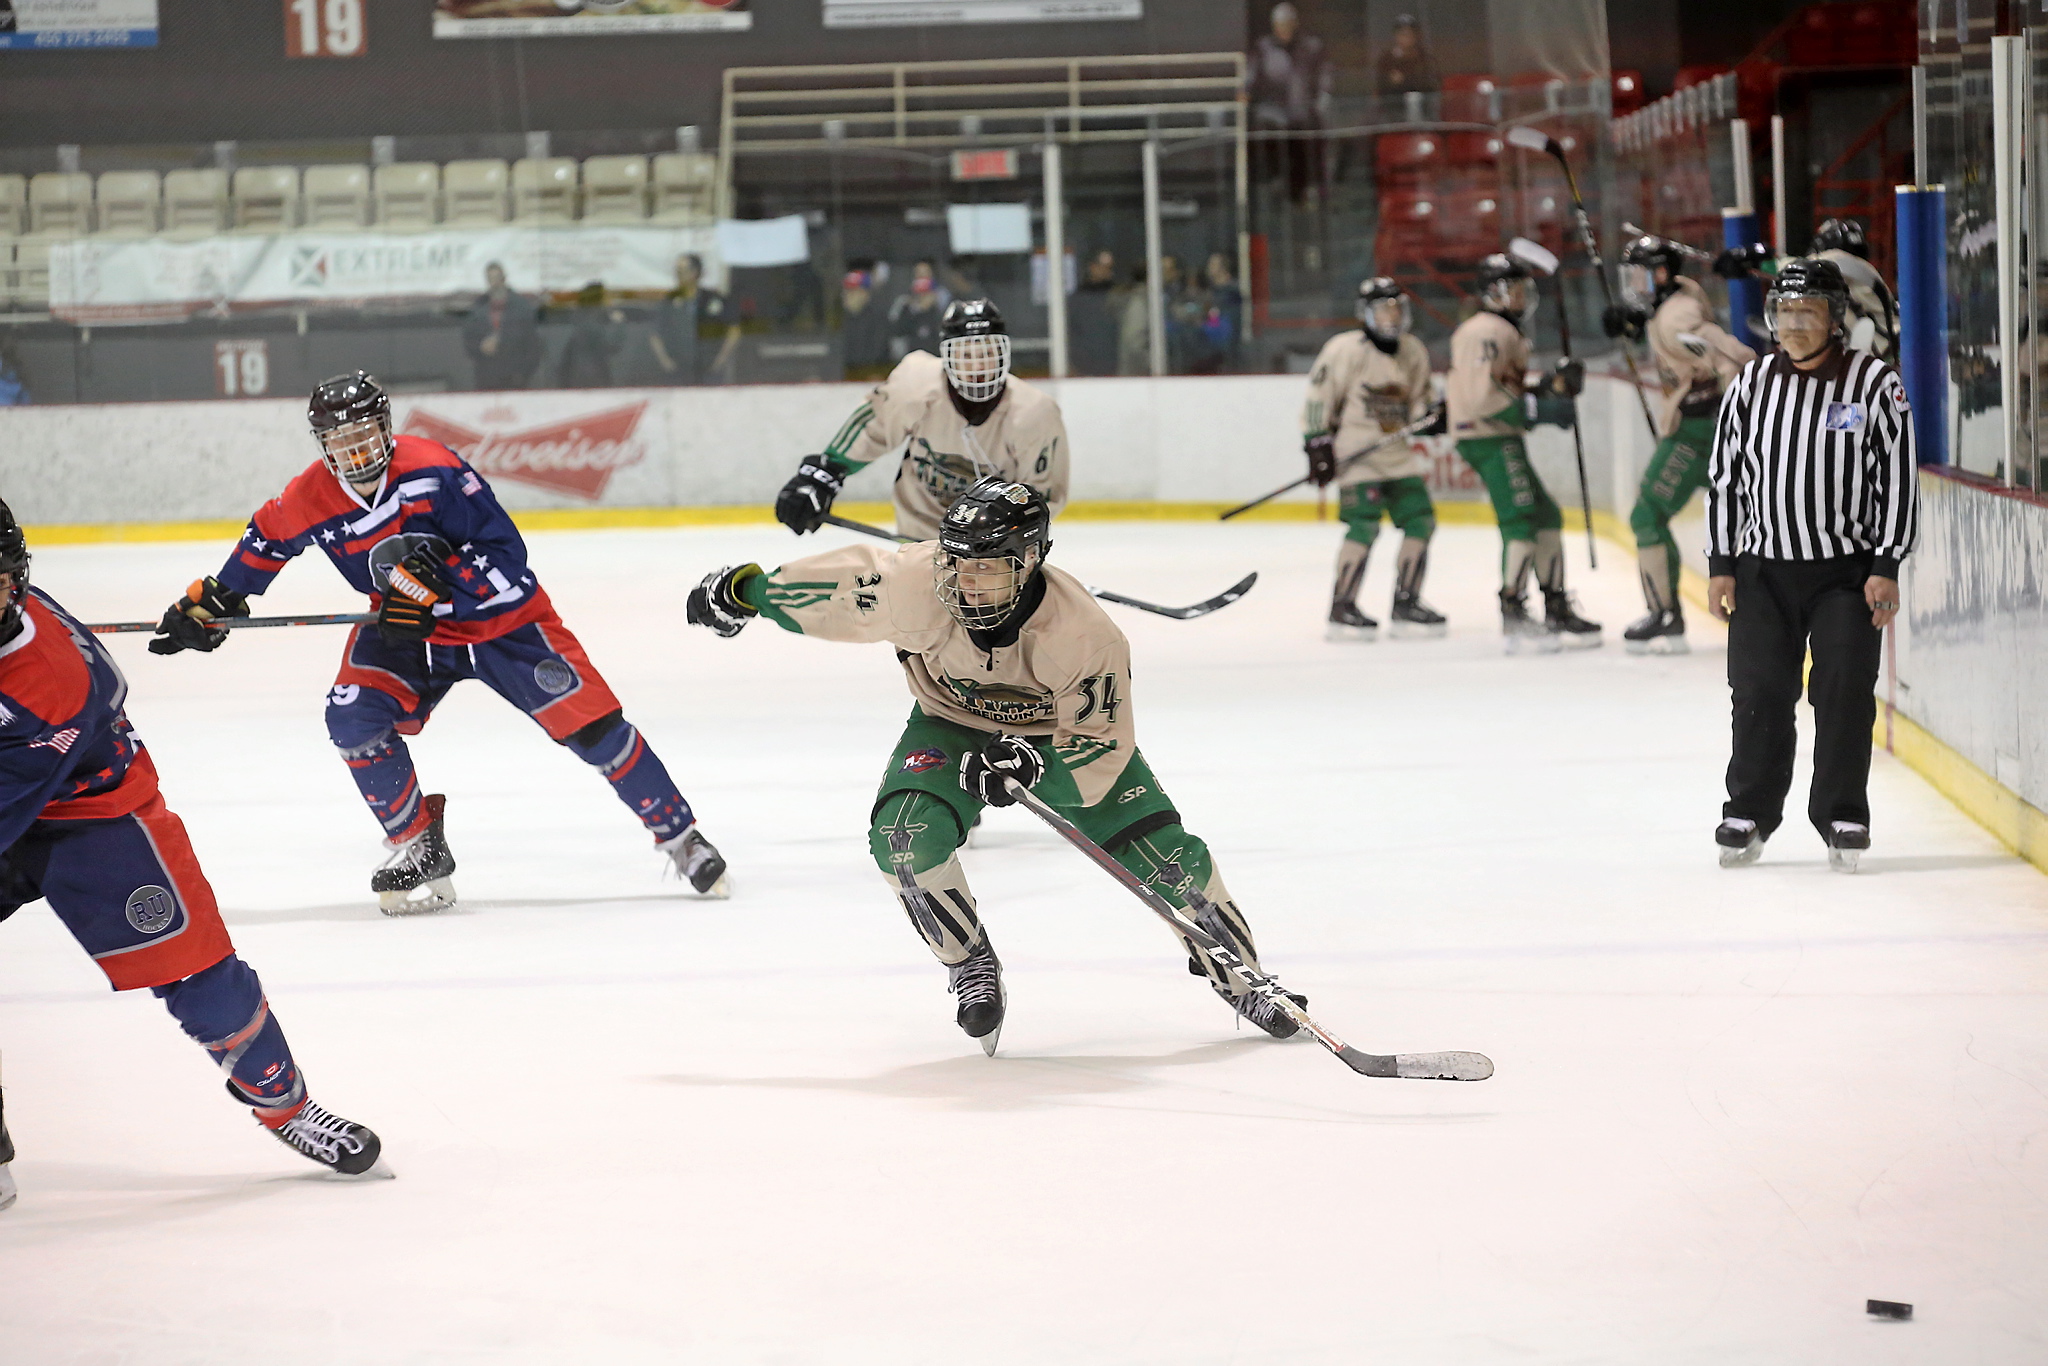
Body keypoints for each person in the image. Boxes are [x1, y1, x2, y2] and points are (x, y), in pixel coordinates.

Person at [686, 477, 1305, 1053]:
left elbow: (1098, 742)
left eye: (985, 566)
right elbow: (835, 592)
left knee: (1173, 862)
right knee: (903, 841)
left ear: (1031, 559)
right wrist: (747, 591)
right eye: (956, 562)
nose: (964, 582)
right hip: (949, 724)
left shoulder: (1088, 638)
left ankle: (1244, 977)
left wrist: (1038, 766)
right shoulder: (912, 583)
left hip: (1057, 741)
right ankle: (969, 961)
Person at [149, 372, 730, 913]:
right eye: (340, 440)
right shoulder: (309, 495)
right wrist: (215, 601)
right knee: (352, 715)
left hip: (502, 624)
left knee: (596, 728)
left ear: (387, 428)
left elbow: (506, 556)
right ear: (322, 445)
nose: (356, 452)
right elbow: (265, 541)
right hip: (402, 629)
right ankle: (416, 842)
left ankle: (682, 839)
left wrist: (440, 587)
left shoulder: (437, 470)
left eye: (366, 435)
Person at [0, 501, 384, 1181]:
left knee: (195, 967)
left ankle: (287, 1106)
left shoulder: (51, 683)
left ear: (17, 579)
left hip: (95, 817)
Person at [1706, 258, 1918, 873]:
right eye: (1784, 312)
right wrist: (1722, 562)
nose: (1794, 324)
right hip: (1761, 573)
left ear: (1835, 318)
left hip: (1846, 576)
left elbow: (1899, 479)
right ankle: (1748, 809)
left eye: (1808, 312)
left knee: (1845, 692)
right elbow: (1725, 478)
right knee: (1759, 692)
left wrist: (1887, 563)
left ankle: (1842, 813)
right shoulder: (1750, 385)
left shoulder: (1877, 384)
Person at [773, 299, 1070, 542]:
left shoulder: (1035, 414)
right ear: (947, 357)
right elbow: (870, 431)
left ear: (1004, 353)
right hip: (919, 532)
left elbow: (1042, 496)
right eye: (966, 354)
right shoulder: (915, 386)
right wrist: (821, 478)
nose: (979, 366)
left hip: (993, 549)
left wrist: (1004, 537)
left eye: (988, 354)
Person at [1603, 236, 1758, 654]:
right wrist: (1638, 322)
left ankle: (1665, 614)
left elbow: (1726, 352)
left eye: (1640, 276)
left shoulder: (1677, 317)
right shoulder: (1675, 303)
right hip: (1711, 426)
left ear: (1660, 275)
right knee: (1751, 521)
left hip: (1698, 429)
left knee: (1647, 514)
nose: (1633, 285)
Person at [1448, 253, 1602, 651]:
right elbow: (1484, 397)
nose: (1520, 297)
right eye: (1512, 289)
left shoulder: (1502, 331)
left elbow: (1504, 389)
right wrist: (1540, 409)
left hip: (1501, 435)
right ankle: (1513, 613)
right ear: (1493, 293)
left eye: (1523, 289)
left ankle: (1555, 606)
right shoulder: (1485, 331)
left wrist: (1549, 388)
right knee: (1520, 520)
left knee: (1546, 515)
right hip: (1488, 437)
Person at [1303, 277, 1447, 640]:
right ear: (1365, 313)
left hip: (1396, 456)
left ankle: (1406, 602)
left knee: (1421, 520)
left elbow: (1420, 403)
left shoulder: (1412, 350)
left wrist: (1432, 415)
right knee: (1364, 526)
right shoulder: (1345, 349)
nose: (1392, 315)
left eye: (1397, 307)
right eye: (1384, 308)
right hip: (1357, 456)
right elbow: (1319, 397)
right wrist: (1317, 444)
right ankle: (1342, 606)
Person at [1247, 2, 1332, 205]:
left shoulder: (1311, 47)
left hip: (1303, 112)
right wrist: (1245, 91)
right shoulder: (1263, 48)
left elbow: (1325, 75)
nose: (1284, 29)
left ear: (1295, 24)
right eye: (1280, 24)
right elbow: (1251, 76)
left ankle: (1307, 189)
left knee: (1307, 140)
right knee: (1268, 133)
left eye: (1288, 24)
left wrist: (1323, 97)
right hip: (1274, 113)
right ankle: (1274, 183)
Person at [1810, 218, 1898, 359]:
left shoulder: (1836, 261)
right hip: (1895, 344)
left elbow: (1799, 268)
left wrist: (1768, 262)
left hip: (1886, 352)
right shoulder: (1867, 272)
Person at [649, 254, 740, 386]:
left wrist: (720, 361)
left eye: (682, 271)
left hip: (709, 369)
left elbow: (733, 331)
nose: (679, 275)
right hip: (678, 370)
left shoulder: (713, 299)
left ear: (695, 272)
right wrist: (666, 362)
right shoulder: (669, 301)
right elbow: (655, 334)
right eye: (677, 271)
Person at [460, 262, 542, 392]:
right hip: (487, 377)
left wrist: (523, 374)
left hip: (515, 378)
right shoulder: (479, 307)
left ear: (504, 278)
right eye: (490, 279)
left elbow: (532, 345)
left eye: (497, 278)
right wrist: (480, 346)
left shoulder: (521, 307)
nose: (494, 282)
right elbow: (469, 339)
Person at [556, 280, 626, 388]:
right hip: (593, 377)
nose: (610, 300)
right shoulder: (593, 320)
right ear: (600, 298)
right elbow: (611, 346)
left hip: (575, 375)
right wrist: (619, 324)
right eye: (607, 296)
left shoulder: (579, 317)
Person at [1069, 249, 1120, 377]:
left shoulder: (1119, 297)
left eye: (1110, 268)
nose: (1107, 272)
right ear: (1092, 267)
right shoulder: (1078, 299)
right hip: (1084, 368)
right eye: (1103, 267)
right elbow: (1072, 333)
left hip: (1114, 368)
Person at [887, 262, 945, 362]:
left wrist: (931, 308)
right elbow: (896, 332)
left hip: (936, 359)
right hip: (910, 359)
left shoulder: (943, 300)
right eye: (918, 275)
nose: (922, 279)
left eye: (925, 275)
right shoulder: (903, 303)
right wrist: (915, 310)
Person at [839, 267, 891, 376]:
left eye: (853, 291)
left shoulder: (878, 319)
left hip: (870, 375)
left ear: (865, 294)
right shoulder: (839, 319)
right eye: (846, 291)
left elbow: (877, 353)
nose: (847, 295)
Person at [1375, 13, 1440, 98]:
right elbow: (1380, 85)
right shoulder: (1386, 59)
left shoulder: (1425, 58)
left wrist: (1405, 80)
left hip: (1421, 104)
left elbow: (1433, 83)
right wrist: (1390, 80)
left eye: (1411, 34)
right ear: (1396, 36)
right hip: (1394, 106)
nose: (1408, 38)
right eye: (1403, 34)